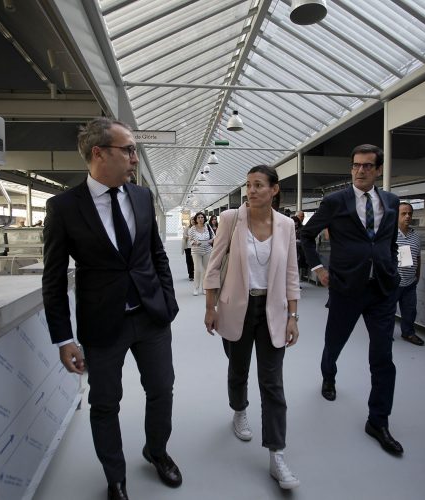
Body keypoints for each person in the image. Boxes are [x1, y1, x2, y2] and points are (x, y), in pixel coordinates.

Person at [41, 117, 182, 500]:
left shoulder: (141, 197)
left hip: (151, 318)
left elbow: (156, 254)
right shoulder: (64, 208)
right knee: (105, 403)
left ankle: (157, 451)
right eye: (129, 150)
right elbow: (53, 279)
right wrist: (64, 338)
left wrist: (167, 302)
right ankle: (115, 477)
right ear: (99, 153)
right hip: (103, 325)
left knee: (162, 389)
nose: (135, 158)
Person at [300, 144, 404, 456]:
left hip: (382, 289)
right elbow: (306, 236)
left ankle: (378, 421)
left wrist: (392, 267)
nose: (360, 170)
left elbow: (391, 242)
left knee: (383, 357)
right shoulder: (335, 201)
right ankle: (328, 376)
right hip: (346, 288)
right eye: (356, 165)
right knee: (334, 343)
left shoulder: (391, 201)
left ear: (378, 170)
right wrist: (318, 269)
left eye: (367, 166)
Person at [204, 165, 301, 490]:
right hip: (236, 309)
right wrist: (210, 307)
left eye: (259, 185)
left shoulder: (286, 225)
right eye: (248, 185)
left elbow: (291, 272)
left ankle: (277, 453)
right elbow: (214, 265)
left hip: (272, 310)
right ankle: (239, 409)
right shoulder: (231, 219)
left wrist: (293, 315)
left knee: (272, 383)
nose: (252, 191)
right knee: (238, 369)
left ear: (274, 189)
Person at [395, 202, 424, 346]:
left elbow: (418, 257)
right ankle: (384, 334)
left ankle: (408, 333)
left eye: (410, 214)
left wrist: (418, 275)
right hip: (393, 282)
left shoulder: (416, 236)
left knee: (410, 310)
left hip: (410, 281)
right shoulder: (390, 234)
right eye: (403, 213)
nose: (407, 216)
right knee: (388, 311)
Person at [188, 212, 214, 296]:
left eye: (202, 217)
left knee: (206, 270)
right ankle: (196, 288)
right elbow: (190, 240)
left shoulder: (208, 226)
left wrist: (210, 241)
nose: (200, 219)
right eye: (198, 217)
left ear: (204, 218)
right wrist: (195, 242)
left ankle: (204, 287)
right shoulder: (192, 229)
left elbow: (214, 237)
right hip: (196, 251)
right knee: (198, 270)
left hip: (207, 250)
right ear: (196, 219)